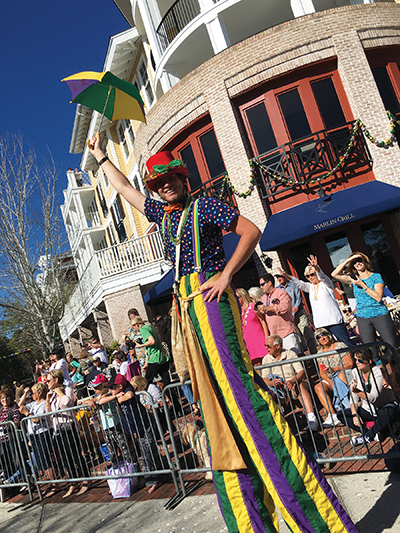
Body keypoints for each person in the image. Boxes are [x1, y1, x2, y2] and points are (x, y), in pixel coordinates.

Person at [88, 136, 356, 532]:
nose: (166, 186)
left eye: (171, 179)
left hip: (211, 302)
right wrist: (101, 158)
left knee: (238, 394)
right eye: (159, 183)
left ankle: (314, 517)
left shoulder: (205, 205)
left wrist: (226, 274)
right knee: (216, 408)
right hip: (187, 310)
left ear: (181, 177)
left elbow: (250, 230)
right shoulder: (163, 215)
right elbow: (126, 190)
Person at [332, 251, 398, 360]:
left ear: (365, 261)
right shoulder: (353, 278)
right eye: (354, 262)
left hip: (380, 314)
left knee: (392, 346)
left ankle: (395, 370)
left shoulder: (376, 277)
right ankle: (379, 372)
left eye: (359, 260)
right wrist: (348, 260)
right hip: (363, 317)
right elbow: (334, 274)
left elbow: (378, 297)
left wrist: (362, 284)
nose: (357, 263)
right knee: (371, 351)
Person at [278, 255, 353, 347]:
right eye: (307, 276)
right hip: (321, 324)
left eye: (312, 274)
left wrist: (316, 268)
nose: (310, 277)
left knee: (347, 344)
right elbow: (299, 283)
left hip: (334, 322)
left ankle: (359, 360)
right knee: (328, 348)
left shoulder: (326, 284)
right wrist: (286, 275)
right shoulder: (310, 287)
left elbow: (322, 276)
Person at [108, 374, 161, 493]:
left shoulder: (128, 388)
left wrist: (119, 398)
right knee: (146, 450)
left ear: (120, 386)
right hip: (137, 426)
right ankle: (163, 471)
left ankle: (153, 480)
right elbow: (101, 399)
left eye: (112, 388)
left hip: (145, 423)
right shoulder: (116, 393)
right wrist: (115, 396)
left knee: (147, 451)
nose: (110, 390)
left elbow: (130, 395)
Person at [338, 349, 400, 445]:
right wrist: (355, 415)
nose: (357, 363)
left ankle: (367, 436)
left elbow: (373, 397)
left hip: (383, 407)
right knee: (341, 414)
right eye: (355, 360)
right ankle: (369, 432)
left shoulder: (378, 371)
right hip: (368, 409)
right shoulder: (355, 372)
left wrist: (356, 391)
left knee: (389, 410)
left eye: (360, 360)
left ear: (369, 361)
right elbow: (354, 398)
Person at [45, 369, 91, 498]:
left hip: (69, 427)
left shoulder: (67, 390)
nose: (46, 383)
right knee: (66, 457)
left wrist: (59, 392)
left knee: (76, 454)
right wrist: (48, 400)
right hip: (58, 429)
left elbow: (66, 404)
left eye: (48, 380)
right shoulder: (52, 394)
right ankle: (74, 481)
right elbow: (48, 412)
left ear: (56, 380)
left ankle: (86, 479)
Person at [261, 335, 318, 431]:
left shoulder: (290, 354)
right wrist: (272, 383)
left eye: (268, 346)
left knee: (300, 385)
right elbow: (265, 379)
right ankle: (275, 424)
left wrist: (293, 380)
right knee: (268, 393)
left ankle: (312, 418)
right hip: (278, 388)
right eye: (265, 345)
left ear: (278, 346)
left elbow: (301, 372)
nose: (266, 348)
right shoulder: (266, 359)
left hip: (293, 383)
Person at [87, 374, 133, 467]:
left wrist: (115, 397)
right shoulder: (100, 396)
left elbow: (101, 401)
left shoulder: (111, 394)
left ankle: (133, 468)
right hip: (106, 428)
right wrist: (90, 401)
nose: (95, 390)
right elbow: (92, 401)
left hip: (116, 425)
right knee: (112, 452)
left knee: (125, 449)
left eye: (97, 387)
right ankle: (118, 471)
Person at [313, 329, 354, 427]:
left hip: (344, 373)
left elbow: (349, 364)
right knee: (318, 387)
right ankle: (333, 414)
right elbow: (321, 373)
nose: (322, 338)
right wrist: (330, 381)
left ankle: (347, 407)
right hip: (330, 378)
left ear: (328, 335)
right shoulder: (319, 353)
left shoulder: (340, 346)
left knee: (339, 377)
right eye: (319, 337)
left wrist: (335, 369)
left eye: (324, 335)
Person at [274, 271, 317, 354]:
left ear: (285, 276)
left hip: (299, 313)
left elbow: (298, 297)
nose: (279, 279)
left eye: (281, 276)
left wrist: (296, 307)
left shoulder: (293, 285)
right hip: (289, 317)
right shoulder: (278, 290)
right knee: (296, 338)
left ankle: (314, 354)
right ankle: (302, 358)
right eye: (277, 277)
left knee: (307, 333)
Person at [18, 383, 53, 484]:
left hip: (43, 432)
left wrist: (27, 413)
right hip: (34, 434)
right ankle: (49, 481)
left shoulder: (43, 404)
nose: (32, 395)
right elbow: (20, 405)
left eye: (33, 393)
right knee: (39, 459)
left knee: (45, 458)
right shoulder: (33, 404)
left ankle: (54, 482)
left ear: (39, 393)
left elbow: (37, 419)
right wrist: (25, 394)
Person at [259, 273, 302, 354]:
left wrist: (267, 308)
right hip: (275, 337)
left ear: (269, 283)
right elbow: (262, 315)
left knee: (295, 358)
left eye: (262, 284)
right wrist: (257, 311)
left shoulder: (281, 293)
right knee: (284, 363)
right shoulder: (263, 298)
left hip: (287, 333)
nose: (261, 287)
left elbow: (284, 308)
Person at [130, 316, 170, 388]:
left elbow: (152, 341)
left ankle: (151, 397)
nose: (135, 330)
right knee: (166, 382)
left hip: (155, 358)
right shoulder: (150, 327)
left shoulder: (143, 329)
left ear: (137, 324)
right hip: (162, 357)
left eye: (134, 327)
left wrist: (141, 345)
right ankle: (173, 398)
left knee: (146, 382)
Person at [236, 287, 268, 365]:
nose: (236, 299)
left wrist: (267, 337)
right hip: (247, 341)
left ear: (243, 296)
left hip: (259, 339)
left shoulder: (253, 306)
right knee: (255, 364)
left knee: (265, 362)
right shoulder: (238, 311)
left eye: (237, 297)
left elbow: (263, 321)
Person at [0, 387, 22, 484]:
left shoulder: (14, 407)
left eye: (6, 397)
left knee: (18, 461)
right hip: (3, 440)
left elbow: (16, 422)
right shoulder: (1, 410)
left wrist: (6, 423)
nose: (4, 400)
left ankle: (27, 480)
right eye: (2, 398)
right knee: (8, 462)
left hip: (12, 438)